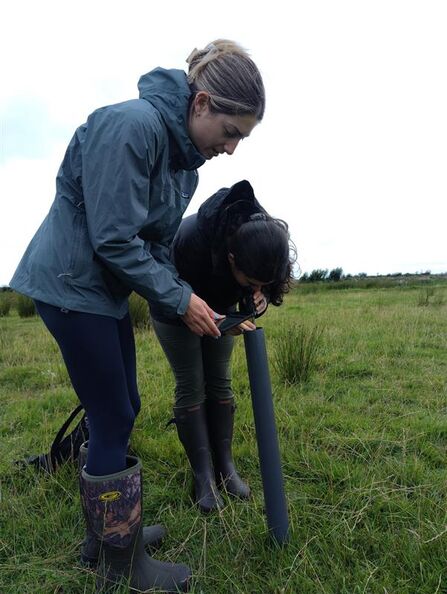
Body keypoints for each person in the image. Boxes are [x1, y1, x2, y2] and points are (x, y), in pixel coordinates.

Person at [10, 41, 265, 594]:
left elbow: (160, 248)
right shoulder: (131, 127)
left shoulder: (182, 165)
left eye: (241, 137)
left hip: (100, 295)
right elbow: (113, 240)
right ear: (200, 103)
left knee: (124, 406)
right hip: (71, 287)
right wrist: (179, 301)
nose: (232, 147)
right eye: (231, 132)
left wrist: (216, 299)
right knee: (112, 416)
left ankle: (105, 537)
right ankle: (119, 564)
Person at [150, 179, 295, 513]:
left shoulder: (263, 238)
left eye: (264, 282)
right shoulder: (191, 241)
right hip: (173, 307)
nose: (257, 287)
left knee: (220, 379)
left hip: (220, 308)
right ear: (231, 258)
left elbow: (261, 282)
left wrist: (257, 298)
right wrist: (202, 313)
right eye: (251, 281)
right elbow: (163, 286)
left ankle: (225, 469)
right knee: (192, 383)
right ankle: (203, 478)